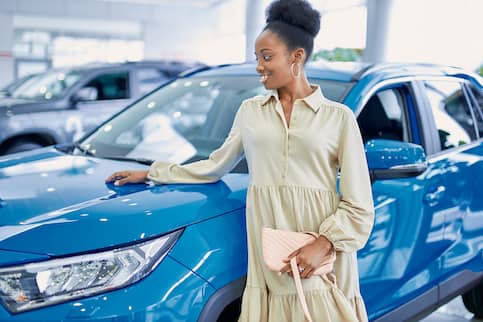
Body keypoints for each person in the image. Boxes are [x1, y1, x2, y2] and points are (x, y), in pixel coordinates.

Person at [106, 0, 375, 321]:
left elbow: (359, 203)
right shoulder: (250, 112)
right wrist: (152, 172)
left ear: (297, 57)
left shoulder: (338, 117)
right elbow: (212, 166)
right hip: (271, 242)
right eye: (256, 57)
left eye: (267, 57)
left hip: (320, 245)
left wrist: (325, 243)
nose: (259, 66)